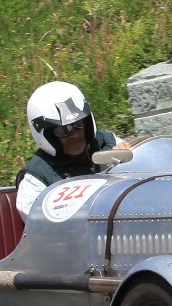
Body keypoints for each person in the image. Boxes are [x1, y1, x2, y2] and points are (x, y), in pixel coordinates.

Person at [15, 82, 124, 220]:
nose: (75, 135)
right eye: (62, 131)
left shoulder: (108, 143)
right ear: (47, 135)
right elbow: (41, 226)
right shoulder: (35, 181)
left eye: (78, 125)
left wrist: (130, 157)